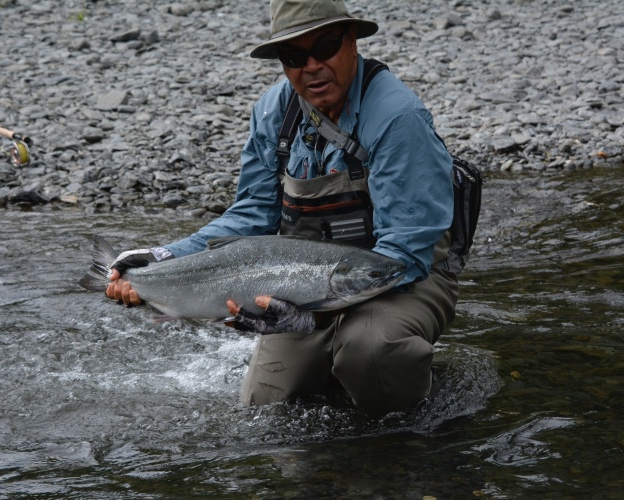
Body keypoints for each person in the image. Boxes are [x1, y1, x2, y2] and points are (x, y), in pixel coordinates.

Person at [106, 0, 459, 418]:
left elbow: (406, 250)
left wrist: (318, 313)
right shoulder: (273, 112)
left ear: (352, 43)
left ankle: (413, 432)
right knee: (267, 407)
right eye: (294, 56)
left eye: (325, 47)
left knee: (371, 351)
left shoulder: (397, 117)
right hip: (298, 283)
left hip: (400, 279)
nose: (311, 66)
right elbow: (251, 215)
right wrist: (162, 257)